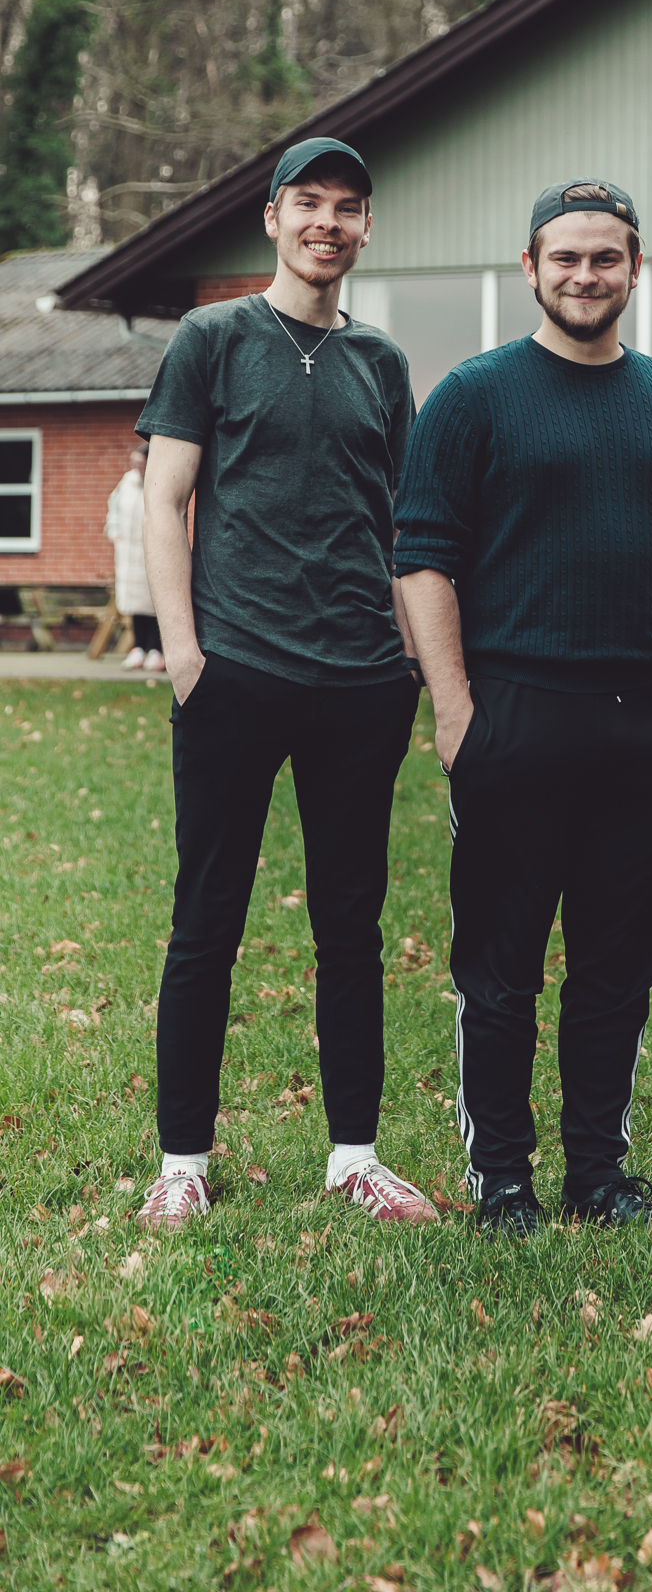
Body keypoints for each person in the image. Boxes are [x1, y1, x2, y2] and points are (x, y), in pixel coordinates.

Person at [395, 179, 652, 1238]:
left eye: (607, 257)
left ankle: (598, 1172)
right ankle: (502, 1180)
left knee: (619, 966)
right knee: (499, 967)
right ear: (530, 269)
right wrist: (456, 710)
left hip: (645, 722)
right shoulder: (475, 396)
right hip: (515, 713)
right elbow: (422, 557)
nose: (587, 274)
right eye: (566, 257)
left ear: (636, 268)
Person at [134, 136, 437, 1231]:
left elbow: (404, 526)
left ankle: (353, 1153)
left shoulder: (384, 365)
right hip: (237, 671)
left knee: (350, 923)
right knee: (206, 916)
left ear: (364, 229)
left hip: (361, 678)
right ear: (273, 217)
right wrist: (183, 652)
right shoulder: (213, 338)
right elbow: (167, 495)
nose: (328, 221)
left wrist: (414, 662)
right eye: (309, 201)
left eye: (349, 206)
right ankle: (183, 1160)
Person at [105, 440, 164, 672]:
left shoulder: (158, 482)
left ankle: (155, 649)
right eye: (134, 463)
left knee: (154, 603)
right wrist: (114, 531)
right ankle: (137, 648)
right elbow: (114, 509)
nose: (137, 467)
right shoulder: (126, 483)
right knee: (134, 604)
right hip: (128, 554)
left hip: (151, 553)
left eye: (141, 463)